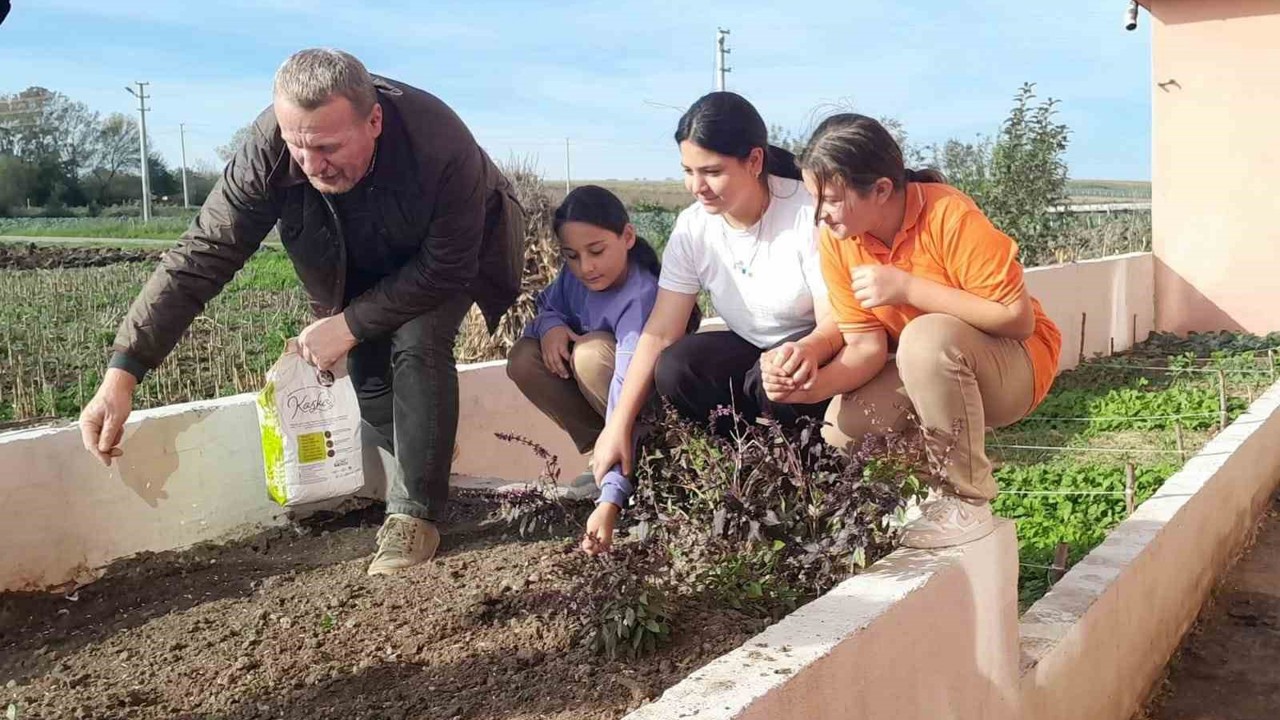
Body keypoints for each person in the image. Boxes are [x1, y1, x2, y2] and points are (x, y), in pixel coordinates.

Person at [76, 48, 526, 576]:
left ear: (373, 120)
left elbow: (445, 268)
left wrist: (349, 324)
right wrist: (124, 370)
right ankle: (424, 462)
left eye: (329, 147)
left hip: (452, 253)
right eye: (299, 147)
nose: (312, 167)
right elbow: (201, 256)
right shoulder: (266, 152)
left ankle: (416, 517)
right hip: (358, 249)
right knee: (369, 373)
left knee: (417, 339)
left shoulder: (439, 141)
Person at [762, 113, 1063, 549]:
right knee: (843, 428)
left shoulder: (948, 214)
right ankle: (924, 493)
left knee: (925, 338)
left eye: (829, 199)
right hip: (932, 370)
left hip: (1016, 364)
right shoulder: (840, 239)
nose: (819, 214)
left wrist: (908, 287)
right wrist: (808, 388)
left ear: (882, 189)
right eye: (814, 198)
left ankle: (966, 499)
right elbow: (865, 347)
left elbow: (1016, 319)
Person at [589, 92, 831, 491]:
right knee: (677, 366)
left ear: (754, 162)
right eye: (688, 170)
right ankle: (746, 471)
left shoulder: (807, 212)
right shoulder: (693, 227)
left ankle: (811, 477)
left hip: (814, 350)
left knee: (773, 379)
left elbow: (837, 318)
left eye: (712, 171)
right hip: (752, 350)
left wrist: (803, 352)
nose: (697, 186)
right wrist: (617, 424)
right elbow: (661, 330)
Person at [507, 185, 696, 554]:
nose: (585, 267)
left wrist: (609, 504)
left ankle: (628, 472)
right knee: (524, 358)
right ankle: (603, 456)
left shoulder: (640, 296)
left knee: (590, 355)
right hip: (608, 406)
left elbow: (627, 384)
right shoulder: (573, 278)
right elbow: (546, 308)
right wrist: (551, 328)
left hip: (646, 409)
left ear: (627, 236)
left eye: (596, 251)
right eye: (571, 256)